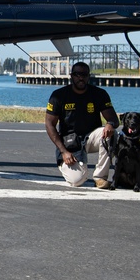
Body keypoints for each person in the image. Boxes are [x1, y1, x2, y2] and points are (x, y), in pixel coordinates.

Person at [45, 61, 119, 189]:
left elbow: (113, 118)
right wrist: (63, 151)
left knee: (112, 134)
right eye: (77, 74)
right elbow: (49, 124)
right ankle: (71, 166)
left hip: (91, 138)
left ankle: (100, 177)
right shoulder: (58, 96)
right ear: (71, 76)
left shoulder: (99, 94)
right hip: (70, 142)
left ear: (89, 76)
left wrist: (110, 124)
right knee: (77, 181)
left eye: (84, 74)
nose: (81, 77)